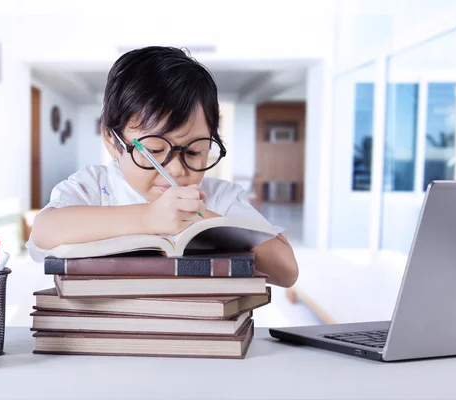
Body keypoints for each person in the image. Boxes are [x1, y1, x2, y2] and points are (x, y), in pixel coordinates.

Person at [27, 46, 298, 288]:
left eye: (194, 151)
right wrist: (148, 217)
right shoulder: (93, 186)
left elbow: (286, 272)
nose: (177, 170)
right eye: (155, 150)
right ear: (112, 140)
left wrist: (207, 220)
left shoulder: (221, 199)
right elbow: (44, 232)